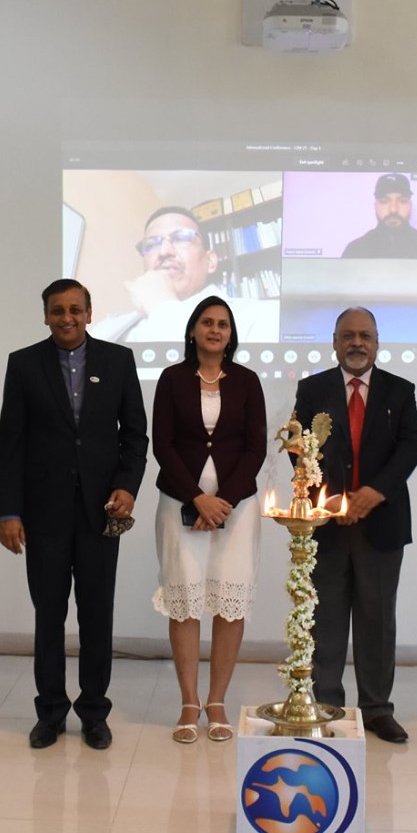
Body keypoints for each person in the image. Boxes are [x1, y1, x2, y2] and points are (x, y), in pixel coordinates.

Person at [0, 279, 148, 750]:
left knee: (97, 615)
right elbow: (11, 444)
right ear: (45, 315)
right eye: (58, 310)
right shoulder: (24, 364)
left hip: (101, 512)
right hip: (43, 514)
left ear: (89, 313)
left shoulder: (117, 361)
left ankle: (94, 713)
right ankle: (51, 712)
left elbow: (135, 436)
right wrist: (9, 512)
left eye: (75, 310)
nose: (67, 318)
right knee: (49, 616)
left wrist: (127, 486)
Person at [290, 307, 417, 742]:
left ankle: (377, 709)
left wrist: (374, 493)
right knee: (325, 620)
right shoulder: (312, 389)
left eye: (365, 335)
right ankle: (327, 706)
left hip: (381, 524)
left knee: (377, 620)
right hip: (328, 523)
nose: (357, 343)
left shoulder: (400, 390)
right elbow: (299, 447)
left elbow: (411, 447)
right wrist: (330, 497)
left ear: (377, 343)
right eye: (348, 335)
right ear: (334, 342)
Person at [151, 295, 267, 744]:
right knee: (184, 599)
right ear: (193, 330)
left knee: (228, 601)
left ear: (231, 334)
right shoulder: (172, 378)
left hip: (237, 509)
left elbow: (255, 447)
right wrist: (198, 499)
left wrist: (224, 502)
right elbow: (163, 444)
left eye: (223, 324)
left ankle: (216, 701)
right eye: (207, 322)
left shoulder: (247, 381)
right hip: (180, 503)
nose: (215, 330)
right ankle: (188, 701)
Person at [93, 205, 277, 343]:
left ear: (211, 261)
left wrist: (162, 307)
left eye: (181, 238)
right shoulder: (112, 326)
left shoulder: (261, 316)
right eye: (152, 244)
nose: (164, 251)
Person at [340, 173, 417, 259]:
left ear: (410, 206)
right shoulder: (356, 250)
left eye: (402, 201)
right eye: (384, 201)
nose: (393, 209)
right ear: (375, 206)